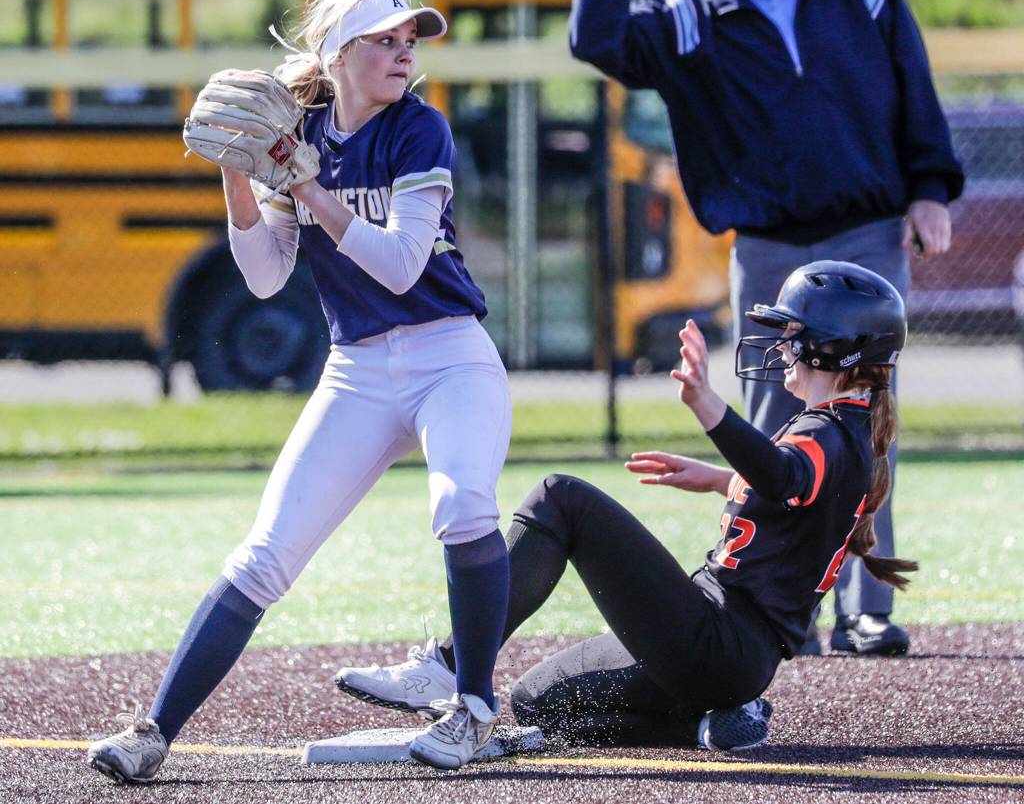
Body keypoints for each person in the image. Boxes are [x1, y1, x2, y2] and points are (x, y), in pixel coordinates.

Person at [87, 0, 513, 783]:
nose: (403, 53)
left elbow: (396, 266)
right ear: (340, 51)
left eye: (407, 40)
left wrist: (308, 183)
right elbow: (263, 276)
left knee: (461, 503)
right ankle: (152, 730)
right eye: (384, 41)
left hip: (447, 355)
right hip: (357, 368)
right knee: (264, 555)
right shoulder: (303, 127)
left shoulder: (420, 129)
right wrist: (238, 174)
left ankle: (475, 710)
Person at [569, 0, 964, 655]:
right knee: (774, 417)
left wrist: (930, 185)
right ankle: (779, 604)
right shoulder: (688, 13)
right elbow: (596, 39)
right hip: (771, 246)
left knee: (863, 423)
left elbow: (913, 83)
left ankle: (865, 607)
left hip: (866, 230)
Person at [337, 260, 918, 748]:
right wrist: (721, 480)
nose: (784, 345)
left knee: (559, 499)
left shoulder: (832, 434)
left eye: (795, 334)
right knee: (537, 703)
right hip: (728, 657)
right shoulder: (846, 430)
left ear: (839, 350)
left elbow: (782, 475)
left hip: (721, 641)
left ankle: (448, 666)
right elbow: (797, 501)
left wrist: (708, 408)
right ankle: (709, 725)